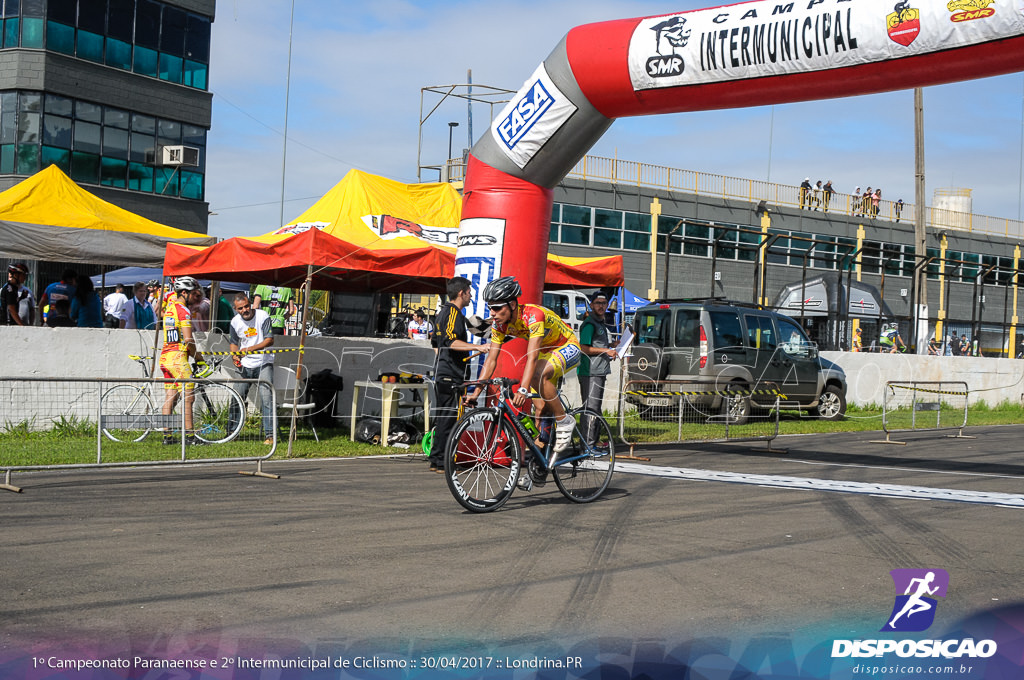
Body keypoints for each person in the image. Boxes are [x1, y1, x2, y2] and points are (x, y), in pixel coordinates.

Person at [467, 276, 581, 490]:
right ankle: (539, 468)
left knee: (538, 374)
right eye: (490, 308)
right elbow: (491, 359)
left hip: (567, 345)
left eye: (496, 308)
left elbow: (532, 356)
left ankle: (565, 421)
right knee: (540, 412)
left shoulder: (533, 315)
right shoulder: (500, 325)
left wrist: (522, 388)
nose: (492, 313)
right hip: (547, 355)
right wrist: (476, 391)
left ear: (512, 304)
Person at [426, 277, 480, 473]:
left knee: (444, 417)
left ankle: (436, 460)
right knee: (449, 418)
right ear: (461, 293)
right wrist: (477, 346)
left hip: (444, 372)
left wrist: (444, 361)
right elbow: (449, 341)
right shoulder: (451, 313)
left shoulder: (445, 313)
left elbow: (435, 343)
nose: (471, 296)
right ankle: (443, 462)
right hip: (449, 375)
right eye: (469, 292)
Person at [159, 276, 210, 446]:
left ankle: (167, 437)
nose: (194, 297)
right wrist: (199, 358)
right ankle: (190, 437)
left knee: (170, 397)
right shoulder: (183, 310)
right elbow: (188, 340)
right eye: (192, 293)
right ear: (183, 293)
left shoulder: (170, 309)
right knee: (189, 397)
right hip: (178, 358)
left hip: (165, 357)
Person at [228, 293, 275, 445]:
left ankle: (269, 435)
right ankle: (231, 433)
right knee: (236, 397)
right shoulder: (235, 322)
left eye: (247, 306)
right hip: (244, 365)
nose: (245, 310)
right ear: (236, 309)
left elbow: (269, 339)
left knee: (267, 399)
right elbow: (234, 343)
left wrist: (248, 349)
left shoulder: (262, 315)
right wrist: (235, 356)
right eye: (241, 308)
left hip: (263, 363)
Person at [578, 292, 618, 442]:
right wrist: (606, 350)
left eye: (603, 303)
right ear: (592, 305)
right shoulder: (589, 324)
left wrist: (610, 346)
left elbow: (598, 346)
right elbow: (584, 348)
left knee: (595, 408)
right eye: (598, 303)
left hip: (599, 371)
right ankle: (587, 444)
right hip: (590, 371)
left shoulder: (600, 323)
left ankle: (592, 441)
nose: (601, 306)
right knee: (591, 409)